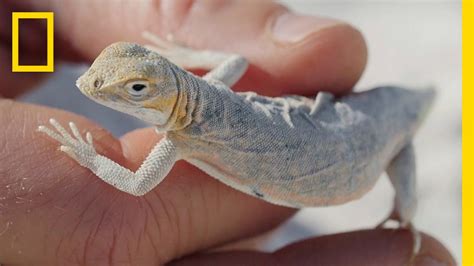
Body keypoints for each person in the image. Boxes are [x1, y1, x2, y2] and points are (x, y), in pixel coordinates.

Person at [0, 0, 454, 265]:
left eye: (137, 88)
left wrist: (87, 156)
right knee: (405, 115)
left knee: (404, 138)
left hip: (360, 154)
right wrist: (188, 53)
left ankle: (405, 208)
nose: (91, 84)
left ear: (172, 91)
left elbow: (136, 185)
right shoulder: (201, 97)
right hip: (359, 127)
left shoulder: (181, 137)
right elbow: (233, 64)